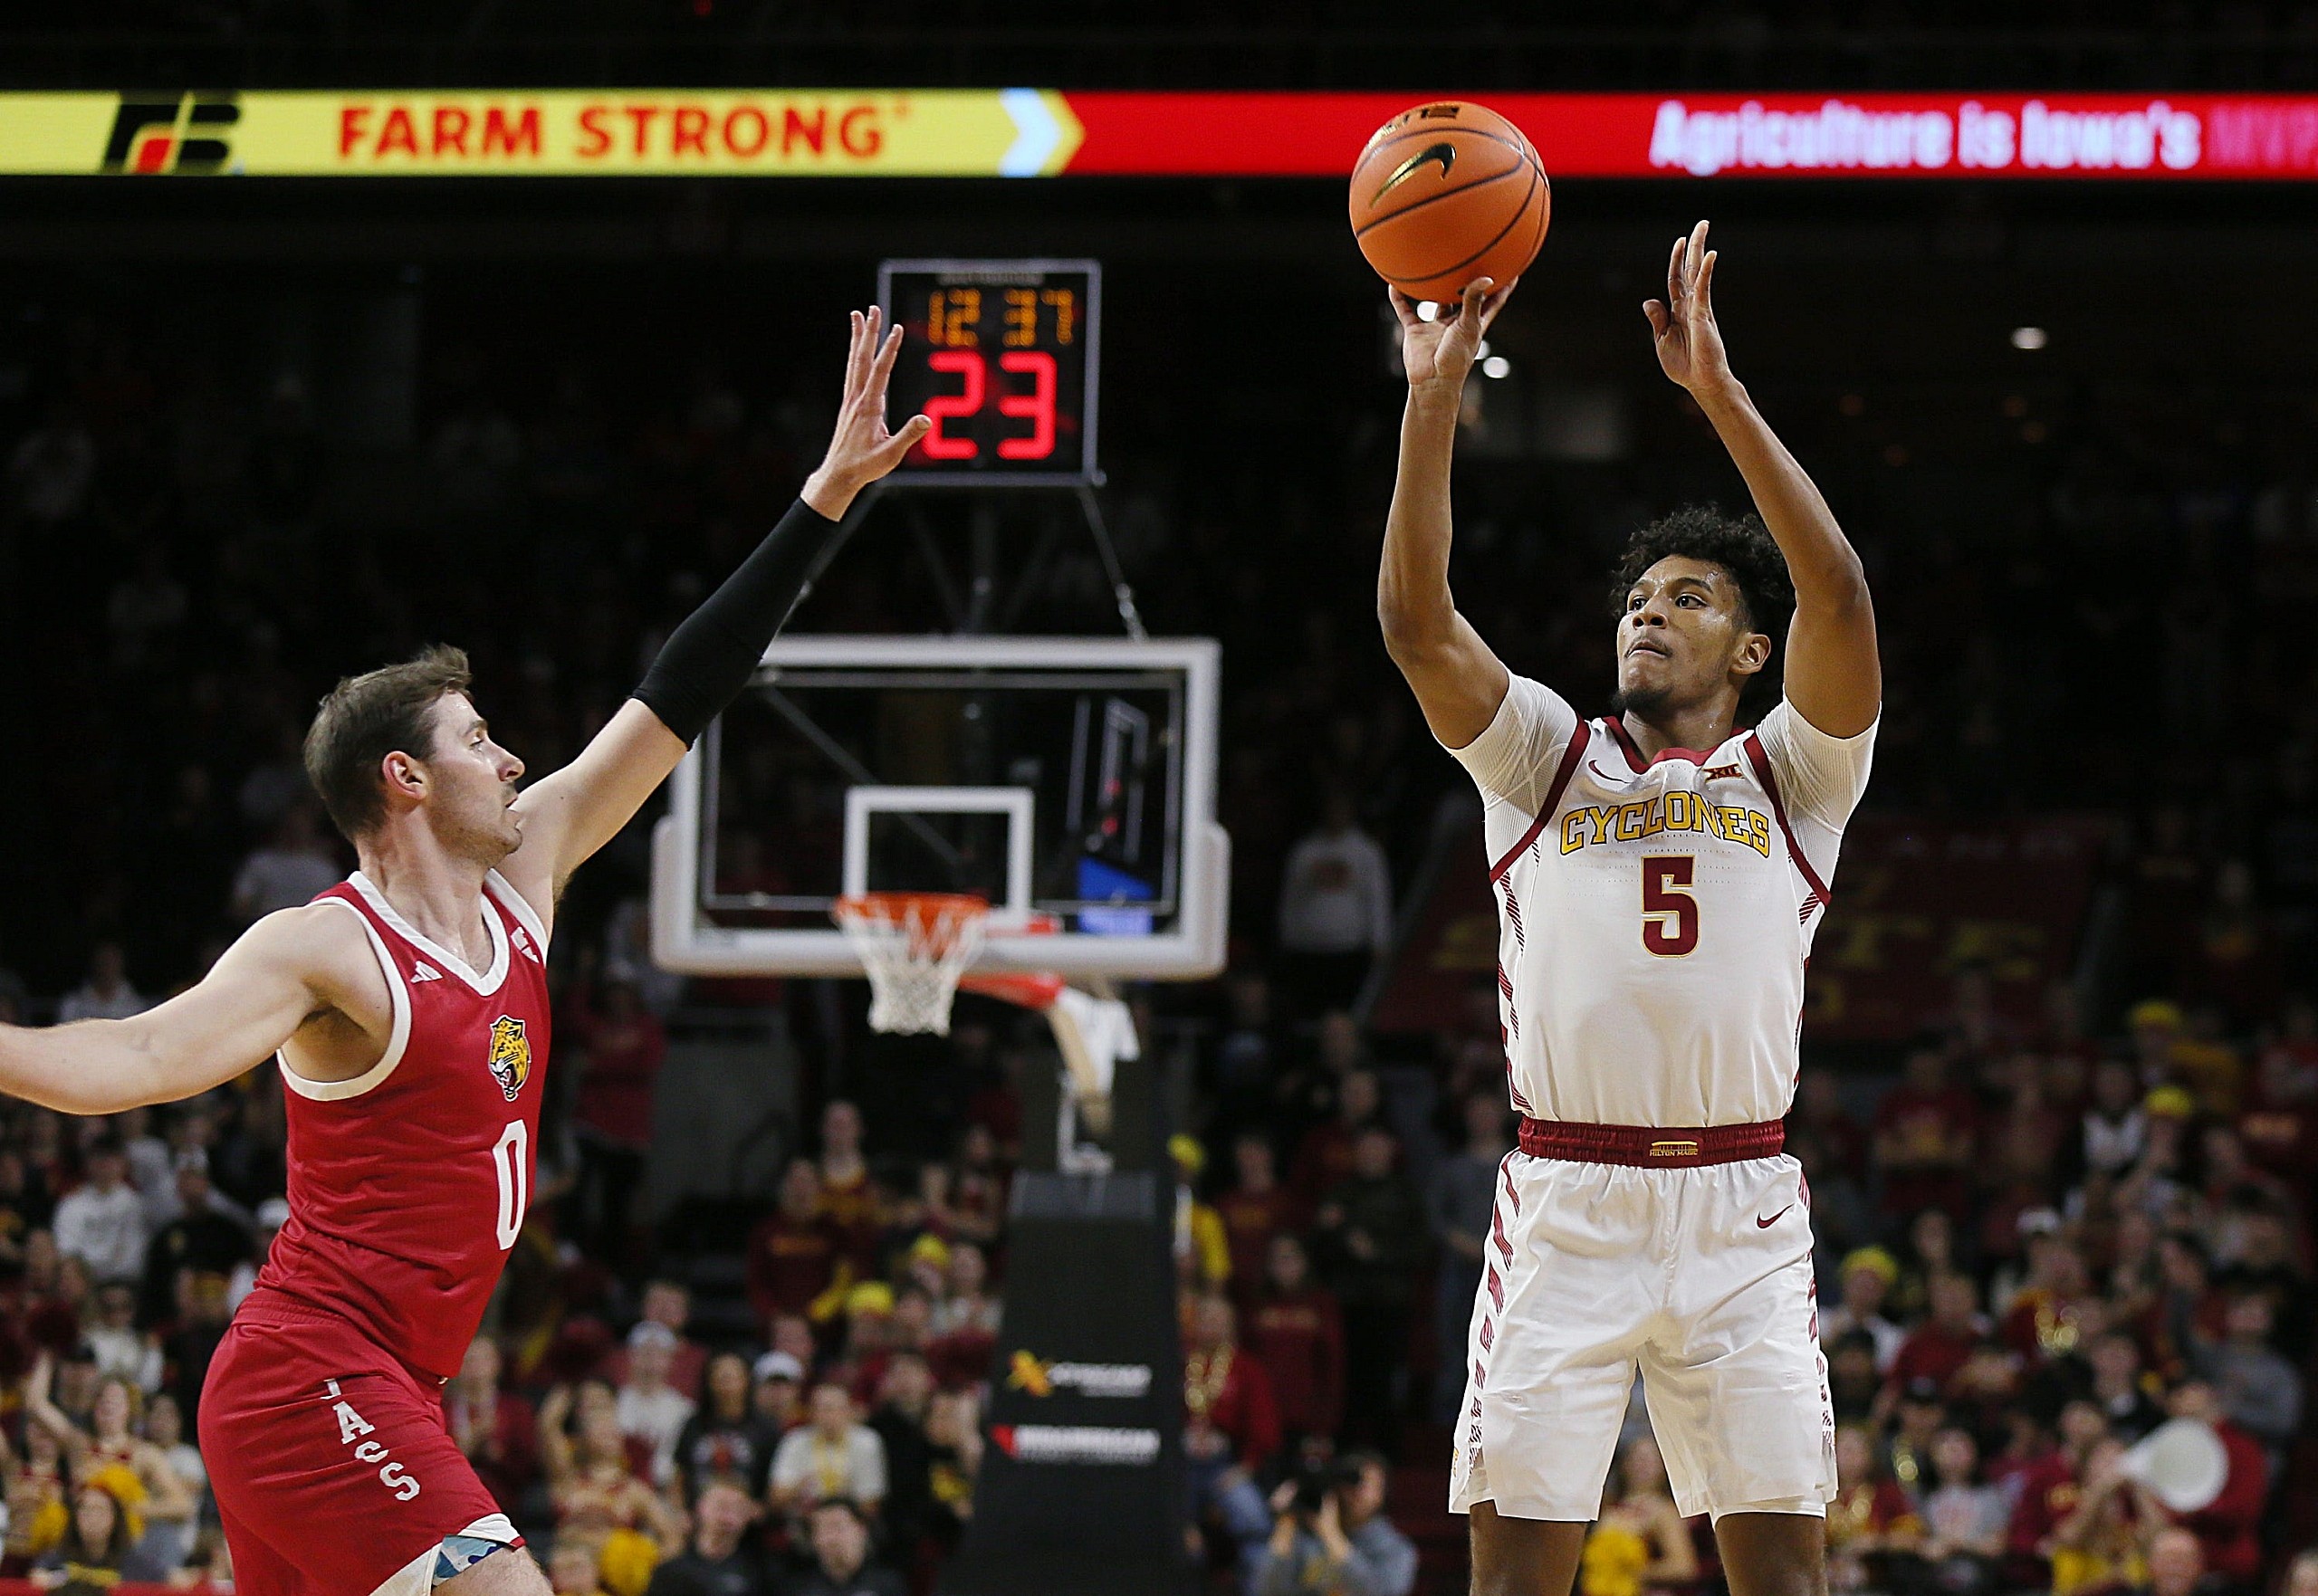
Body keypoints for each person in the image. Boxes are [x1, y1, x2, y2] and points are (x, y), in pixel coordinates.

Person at [0, 304, 930, 1596]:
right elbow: (144, 1051)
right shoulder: (330, 943)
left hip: (395, 1385)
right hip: (308, 1372)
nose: (514, 758)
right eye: (481, 740)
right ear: (406, 779)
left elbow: (677, 693)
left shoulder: (525, 876)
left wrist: (822, 501)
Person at [1377, 223, 1880, 1595]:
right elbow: (1420, 626)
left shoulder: (1795, 772)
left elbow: (1838, 587)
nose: (1648, 615)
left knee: (1786, 1577)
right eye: (1639, 598)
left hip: (1743, 1206)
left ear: (1752, 650)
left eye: (1691, 598)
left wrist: (1716, 392)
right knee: (1515, 1581)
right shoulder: (1548, 754)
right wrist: (1436, 400)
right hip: (1570, 1199)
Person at [1254, 1451, 1418, 1596]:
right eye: (1353, 1480)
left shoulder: (1397, 1549)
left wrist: (1332, 1536)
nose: (1357, 1491)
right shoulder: (1305, 1538)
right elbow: (1267, 1591)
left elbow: (1378, 1592)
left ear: (1382, 1495)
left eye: (1367, 1484)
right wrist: (1285, 1524)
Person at [770, 1381, 887, 1524]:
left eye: (831, 1409)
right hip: (804, 1522)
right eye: (818, 1409)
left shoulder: (867, 1442)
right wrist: (798, 1489)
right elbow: (775, 1498)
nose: (825, 1415)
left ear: (849, 1411)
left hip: (849, 1524)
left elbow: (870, 1504)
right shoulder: (795, 1440)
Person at [640, 1480, 771, 1596]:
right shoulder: (670, 1572)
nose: (727, 1518)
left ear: (750, 1515)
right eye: (721, 1506)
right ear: (700, 1507)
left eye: (737, 1509)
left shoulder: (761, 1573)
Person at [789, 1498, 906, 1596]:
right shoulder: (800, 1589)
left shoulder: (887, 1585)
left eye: (838, 1527)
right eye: (823, 1530)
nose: (831, 1538)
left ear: (861, 1529)